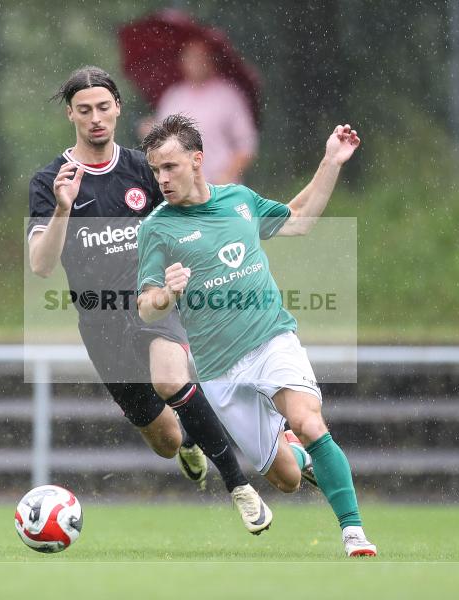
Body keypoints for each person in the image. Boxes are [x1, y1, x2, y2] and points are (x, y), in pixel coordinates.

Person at [27, 66, 271, 534]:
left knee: (170, 377)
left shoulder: (145, 168)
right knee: (165, 439)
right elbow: (41, 265)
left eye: (103, 107)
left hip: (153, 301)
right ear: (70, 115)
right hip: (99, 321)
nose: (96, 118)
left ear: (118, 108)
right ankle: (187, 440)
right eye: (84, 110)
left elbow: (194, 214)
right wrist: (62, 208)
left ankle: (239, 485)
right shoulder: (50, 181)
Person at [136, 114, 377, 557]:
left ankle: (354, 533)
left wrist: (331, 161)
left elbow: (299, 218)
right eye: (155, 170)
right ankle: (299, 456)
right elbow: (146, 305)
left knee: (308, 422)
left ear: (197, 160)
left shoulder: (239, 200)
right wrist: (167, 295)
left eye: (170, 166)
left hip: (271, 340)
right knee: (286, 479)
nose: (162, 178)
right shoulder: (157, 226)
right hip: (219, 370)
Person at [138, 39, 257, 185]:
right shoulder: (174, 96)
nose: (195, 62)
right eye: (190, 57)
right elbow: (164, 140)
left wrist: (227, 174)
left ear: (211, 59)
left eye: (200, 56)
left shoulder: (228, 96)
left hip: (220, 187)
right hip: (182, 187)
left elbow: (246, 144)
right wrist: (151, 131)